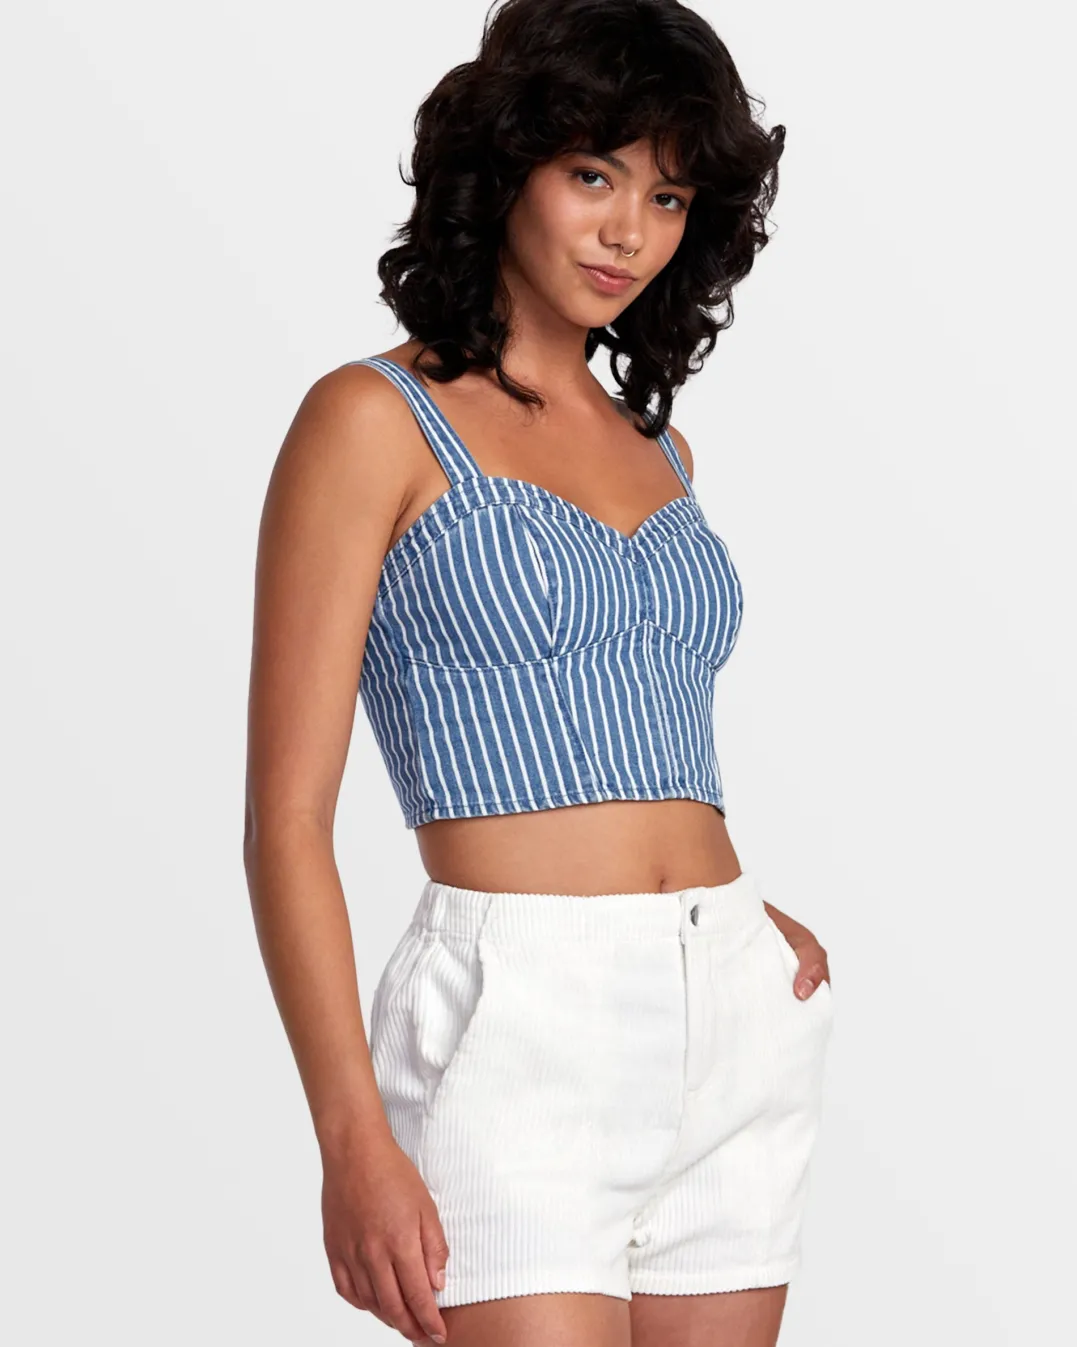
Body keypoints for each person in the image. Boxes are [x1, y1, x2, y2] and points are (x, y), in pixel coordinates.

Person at [243, 2, 834, 1344]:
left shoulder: (661, 451)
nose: (630, 231)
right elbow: (285, 821)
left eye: (668, 196)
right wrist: (351, 1137)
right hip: (519, 1029)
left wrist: (730, 925)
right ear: (504, 165)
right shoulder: (372, 420)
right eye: (593, 174)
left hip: (734, 1017)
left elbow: (641, 725)